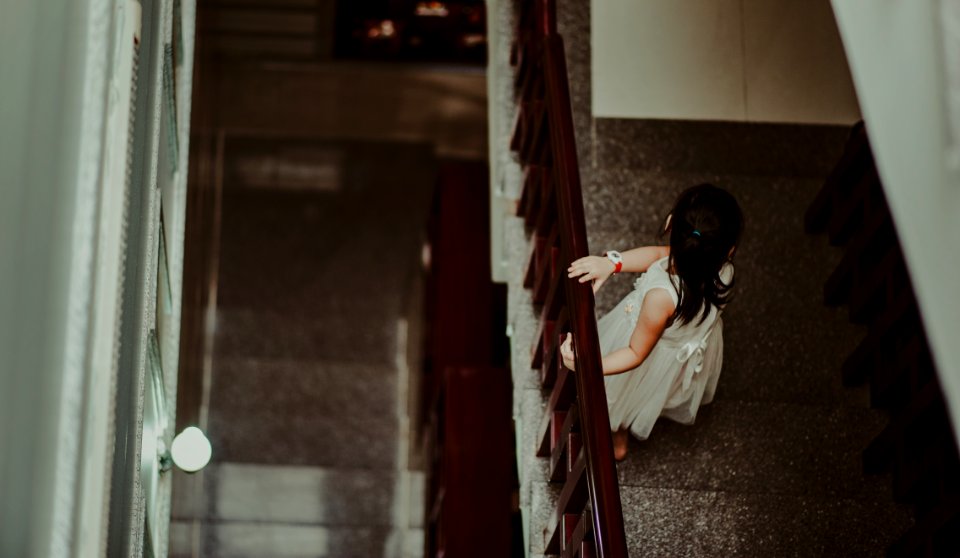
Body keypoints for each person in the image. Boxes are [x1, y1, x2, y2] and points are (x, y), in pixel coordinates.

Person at [560, 183, 744, 461]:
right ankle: (622, 424)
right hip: (681, 350)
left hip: (648, 351)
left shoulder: (661, 297)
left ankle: (617, 430)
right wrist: (614, 263)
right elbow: (660, 255)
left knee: (624, 394)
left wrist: (587, 363)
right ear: (728, 250)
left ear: (670, 223)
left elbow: (635, 353)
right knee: (654, 393)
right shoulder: (720, 267)